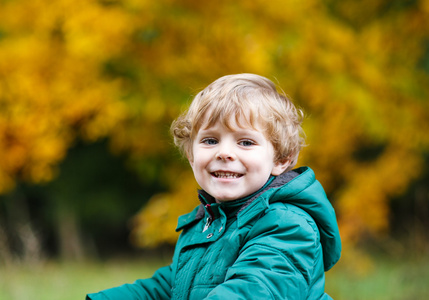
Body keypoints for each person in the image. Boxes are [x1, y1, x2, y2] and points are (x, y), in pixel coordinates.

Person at [86, 73, 341, 299]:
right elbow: (170, 288)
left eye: (246, 142)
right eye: (210, 140)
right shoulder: (209, 223)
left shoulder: (286, 224)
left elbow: (255, 290)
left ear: (281, 159)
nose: (225, 152)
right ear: (191, 155)